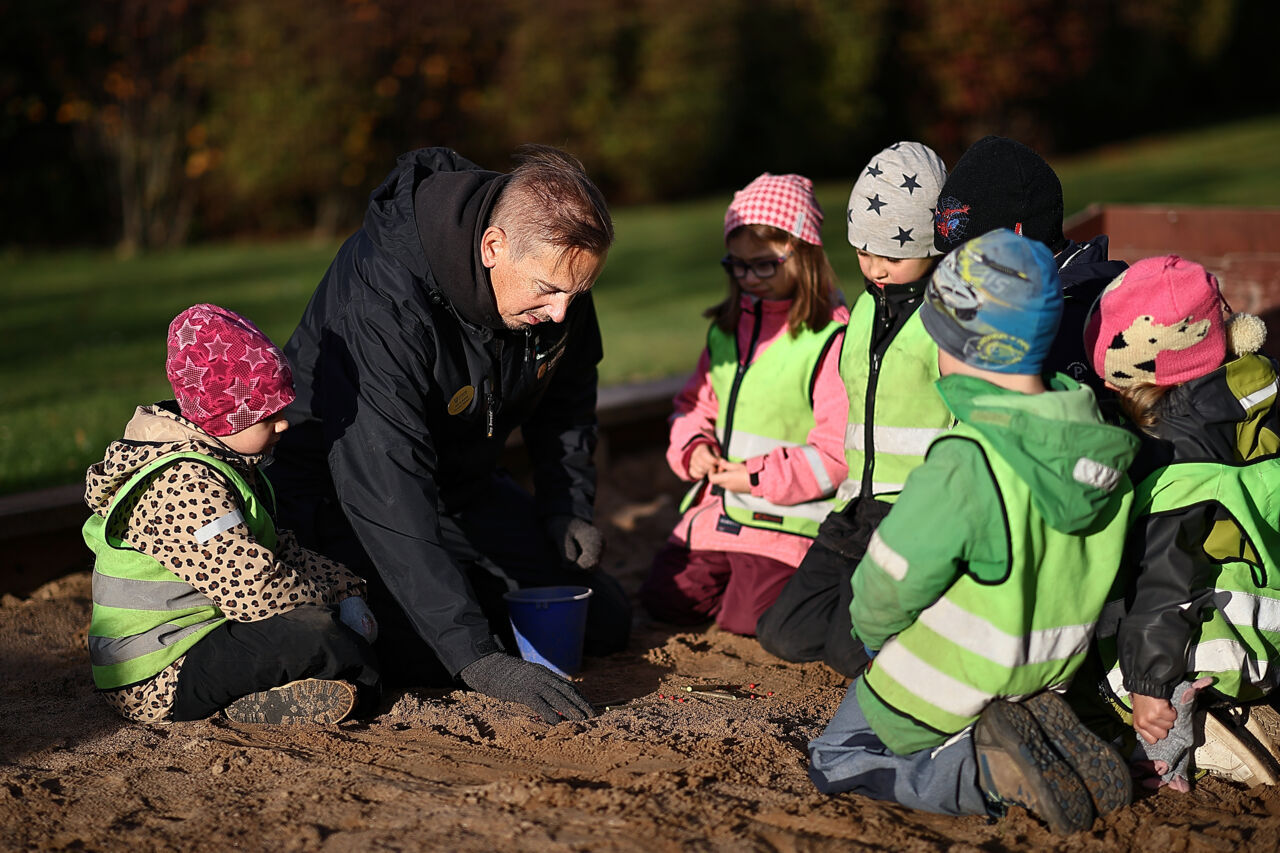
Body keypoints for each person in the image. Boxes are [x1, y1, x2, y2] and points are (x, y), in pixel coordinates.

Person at [266, 145, 630, 725]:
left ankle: (468, 605)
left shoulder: (555, 279)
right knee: (432, 657)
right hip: (338, 494)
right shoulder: (382, 301)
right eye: (548, 290)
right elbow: (384, 485)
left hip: (459, 483)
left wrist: (566, 507)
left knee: (604, 621)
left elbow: (566, 399)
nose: (563, 313)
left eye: (577, 294)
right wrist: (477, 657)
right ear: (493, 247)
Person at [808, 230, 1138, 834]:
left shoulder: (970, 458)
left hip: (953, 671)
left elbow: (893, 576)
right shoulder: (1096, 444)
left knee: (839, 756)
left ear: (960, 340)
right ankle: (1055, 749)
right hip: (1053, 666)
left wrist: (873, 635)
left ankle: (985, 773)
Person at [83, 304, 381, 726]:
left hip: (202, 638)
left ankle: (278, 691)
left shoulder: (224, 463)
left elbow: (279, 551)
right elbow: (254, 588)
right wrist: (330, 613)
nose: (283, 425)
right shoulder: (183, 486)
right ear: (224, 418)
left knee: (329, 630)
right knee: (316, 636)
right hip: (156, 676)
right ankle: (255, 701)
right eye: (267, 414)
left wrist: (344, 588)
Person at [1083, 255, 1278, 790]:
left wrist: (1148, 682)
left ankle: (1181, 738)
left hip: (1238, 638)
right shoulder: (1258, 393)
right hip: (1270, 599)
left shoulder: (1175, 451)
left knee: (1108, 638)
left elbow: (1162, 578)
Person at [756, 142, 951, 676]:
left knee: (849, 656)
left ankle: (924, 629)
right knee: (783, 634)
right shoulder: (864, 308)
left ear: (934, 246)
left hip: (911, 511)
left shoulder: (945, 319)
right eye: (865, 252)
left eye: (892, 255)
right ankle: (869, 617)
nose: (875, 268)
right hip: (854, 505)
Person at [638, 173, 849, 635]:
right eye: (737, 266)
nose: (749, 278)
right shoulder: (726, 330)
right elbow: (693, 404)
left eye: (764, 265)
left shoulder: (831, 339)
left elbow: (837, 455)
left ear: (805, 252)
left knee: (754, 617)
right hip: (719, 508)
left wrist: (756, 476)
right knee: (664, 597)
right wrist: (692, 447)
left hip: (786, 518)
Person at [932, 135, 1127, 400]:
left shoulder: (1076, 319)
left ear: (1019, 241)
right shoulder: (998, 300)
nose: (959, 275)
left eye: (973, 260)